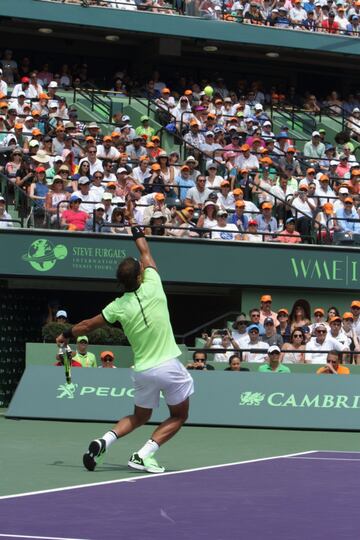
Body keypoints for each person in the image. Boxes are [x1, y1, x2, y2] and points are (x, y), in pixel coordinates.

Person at [56, 223, 193, 474]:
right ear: (140, 275)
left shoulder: (117, 307)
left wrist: (66, 333)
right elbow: (146, 252)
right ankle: (143, 454)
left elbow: (87, 325)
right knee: (179, 415)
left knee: (140, 416)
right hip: (168, 367)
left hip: (142, 371)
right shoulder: (153, 283)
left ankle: (103, 441)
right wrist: (136, 231)